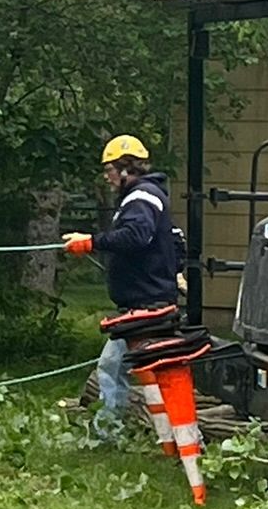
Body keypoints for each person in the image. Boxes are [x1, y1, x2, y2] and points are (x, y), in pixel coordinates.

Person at [64, 135, 181, 425]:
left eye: (110, 170)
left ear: (126, 168)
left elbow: (135, 236)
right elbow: (175, 238)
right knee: (125, 368)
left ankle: (110, 431)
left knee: (114, 369)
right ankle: (173, 432)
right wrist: (175, 271)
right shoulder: (147, 195)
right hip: (146, 299)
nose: (107, 177)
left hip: (146, 303)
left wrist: (90, 242)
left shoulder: (141, 197)